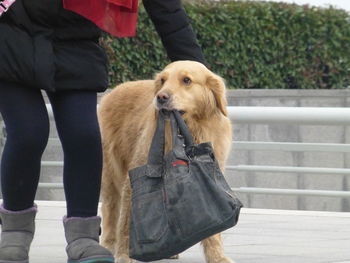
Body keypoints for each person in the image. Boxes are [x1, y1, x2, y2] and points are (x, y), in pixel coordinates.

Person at [0, 0, 205, 262]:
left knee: (84, 135)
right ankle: (15, 231)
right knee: (28, 132)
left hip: (76, 41)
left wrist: (200, 74)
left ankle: (83, 236)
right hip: (10, 33)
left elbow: (167, 11)